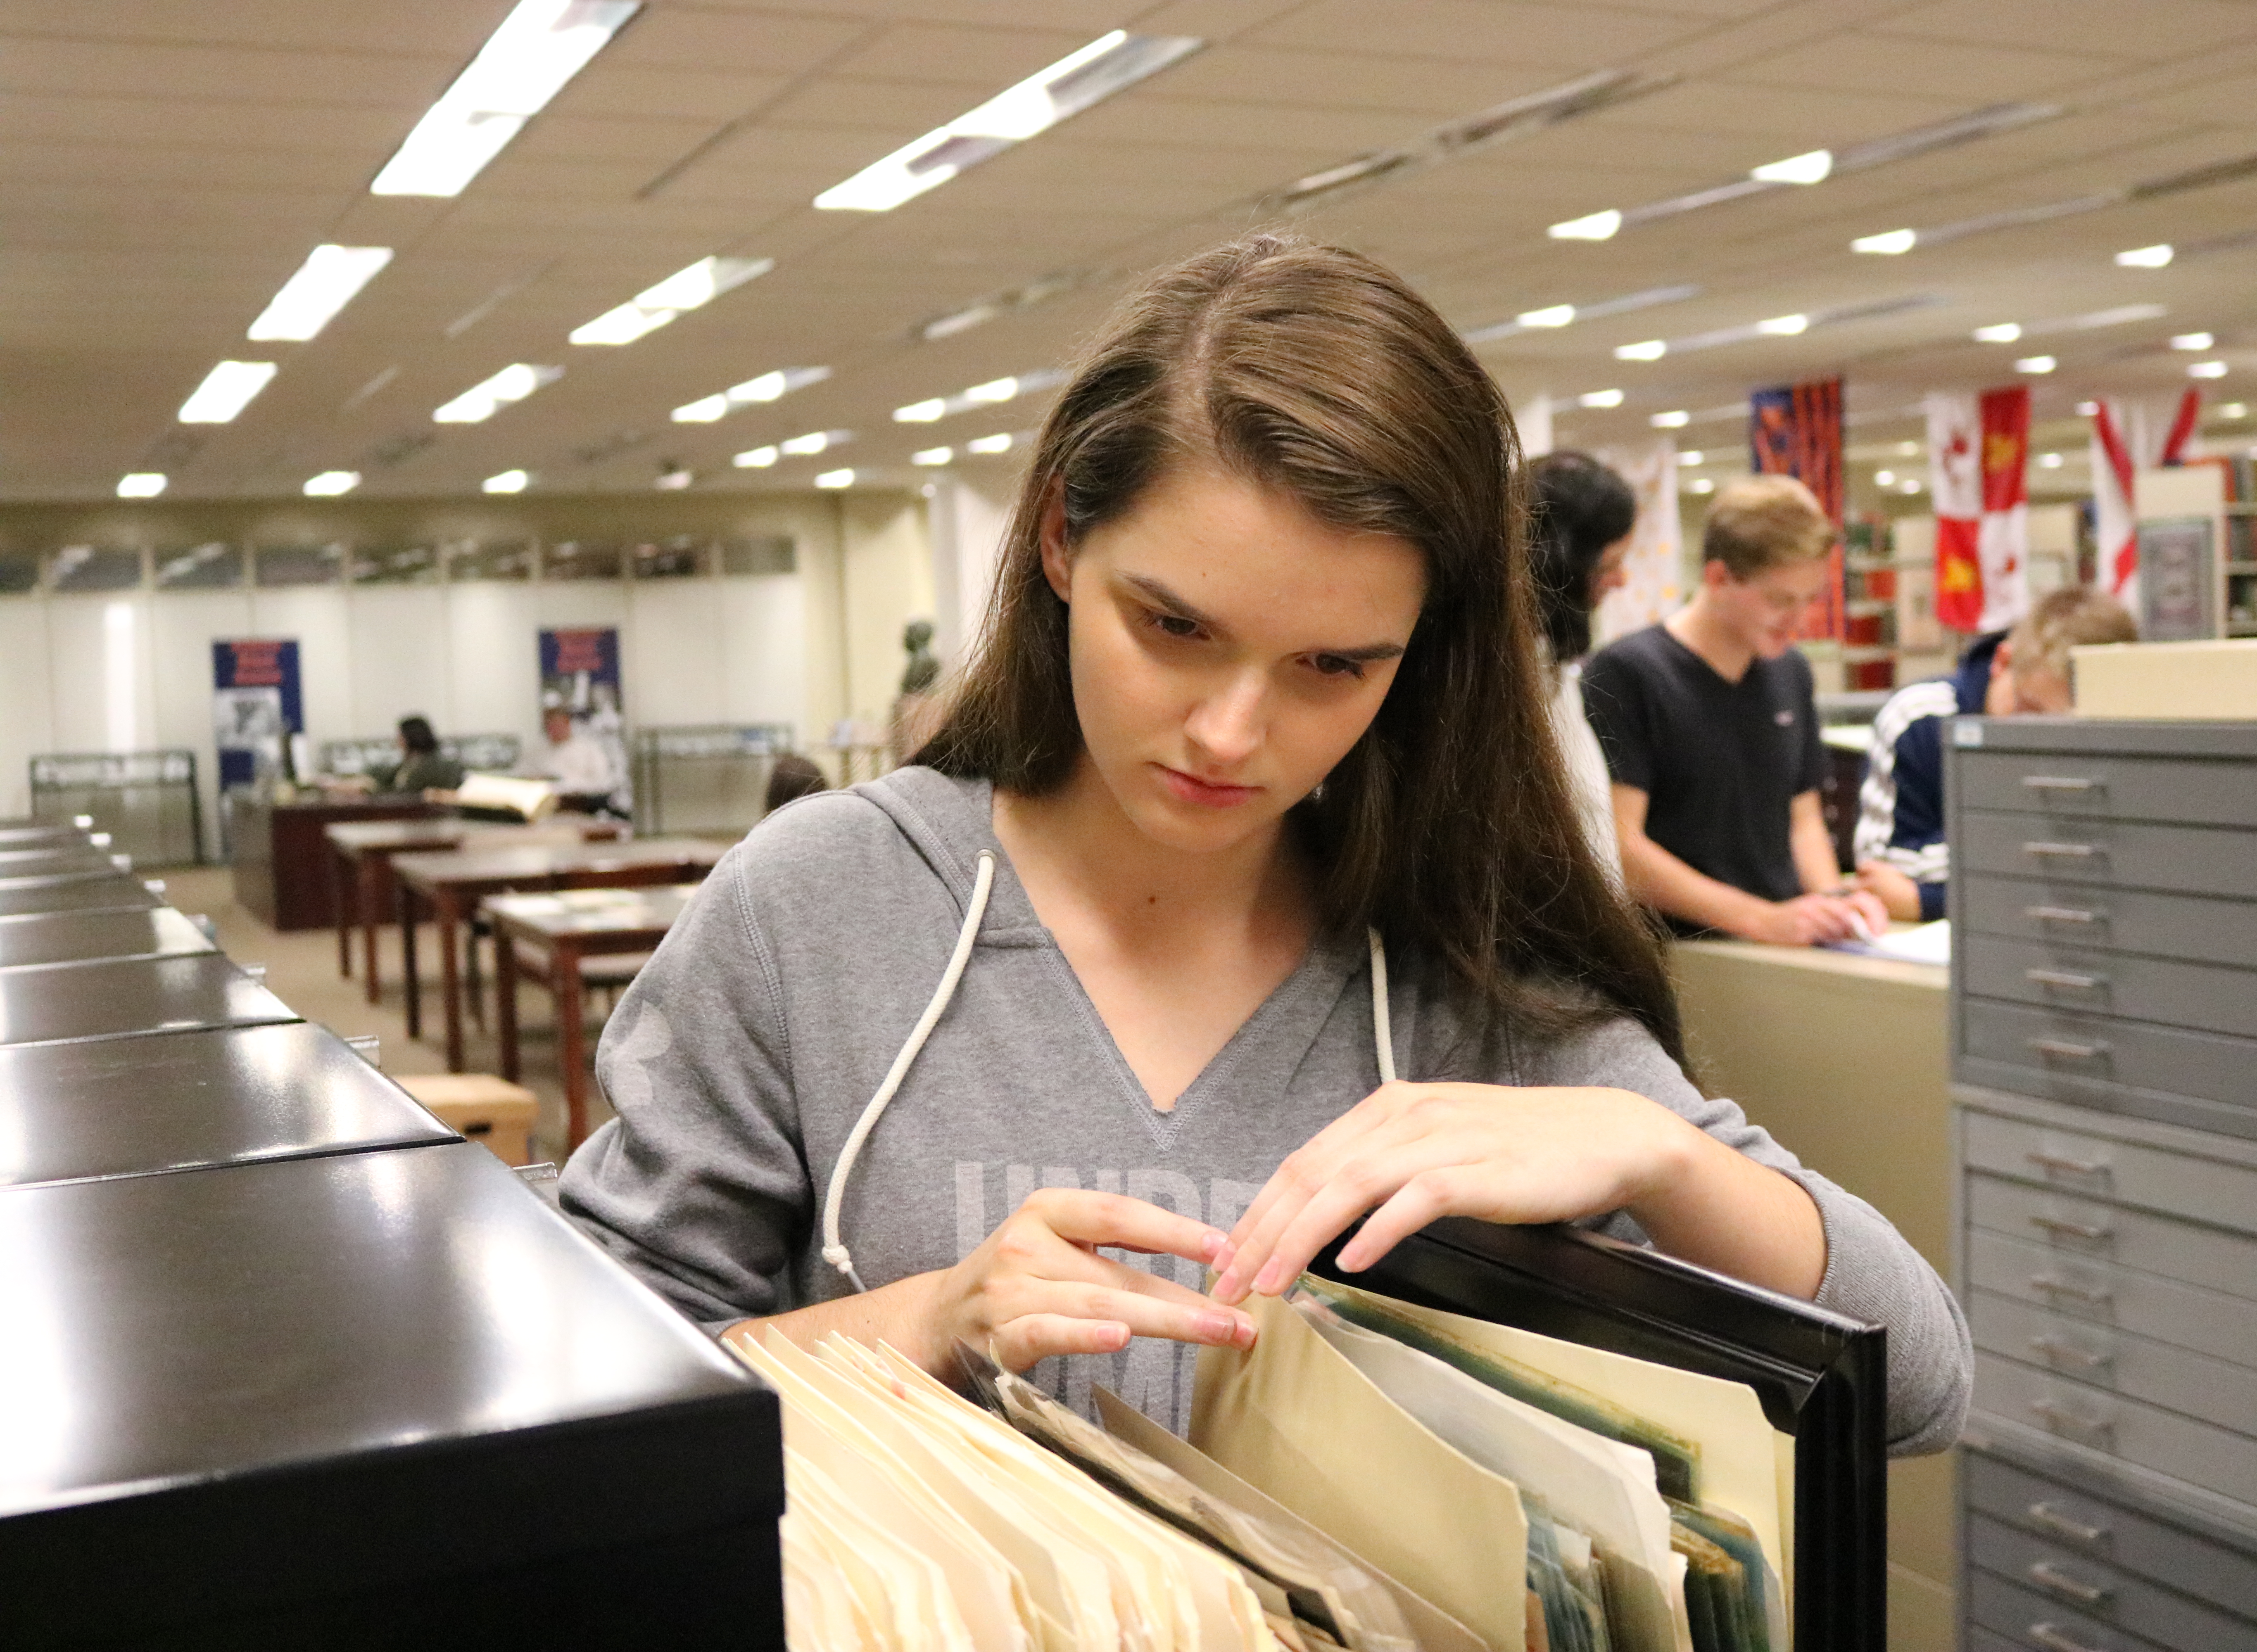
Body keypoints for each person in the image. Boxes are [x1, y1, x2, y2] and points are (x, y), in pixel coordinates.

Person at [556, 235, 1969, 1456]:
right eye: (1173, 628)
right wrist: (928, 1316)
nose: (1232, 734)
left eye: (1332, 667)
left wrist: (1661, 1157)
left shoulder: (1465, 962)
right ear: (1060, 542)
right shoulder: (825, 907)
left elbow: (1917, 1383)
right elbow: (593, 1404)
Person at [1582, 475, 1888, 946]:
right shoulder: (1629, 673)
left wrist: (1834, 899)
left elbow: (1802, 817)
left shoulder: (1791, 673)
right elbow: (1622, 848)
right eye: (1780, 600)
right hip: (1682, 952)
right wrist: (1759, 919)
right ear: (1720, 578)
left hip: (1777, 943)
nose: (1800, 621)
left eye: (1810, 600)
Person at [1854, 586, 2137, 921]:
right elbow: (1882, 873)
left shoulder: (2124, 733)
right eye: (2029, 711)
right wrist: (2036, 854)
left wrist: (1930, 898)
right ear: (2003, 663)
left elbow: (2123, 865)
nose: (2044, 740)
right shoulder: (1917, 720)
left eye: (2067, 728)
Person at [1524, 451, 1635, 883]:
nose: (1621, 580)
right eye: (1609, 565)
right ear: (1564, 563)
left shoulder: (1549, 661)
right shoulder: (1506, 671)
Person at [535, 705, 622, 814]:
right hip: (548, 807)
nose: (554, 730)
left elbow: (602, 782)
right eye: (550, 726)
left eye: (558, 725)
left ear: (567, 724)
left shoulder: (589, 749)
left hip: (583, 805)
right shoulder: (539, 752)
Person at [380, 715, 463, 795]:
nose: (398, 742)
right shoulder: (409, 764)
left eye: (401, 737)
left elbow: (409, 792)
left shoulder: (432, 766)